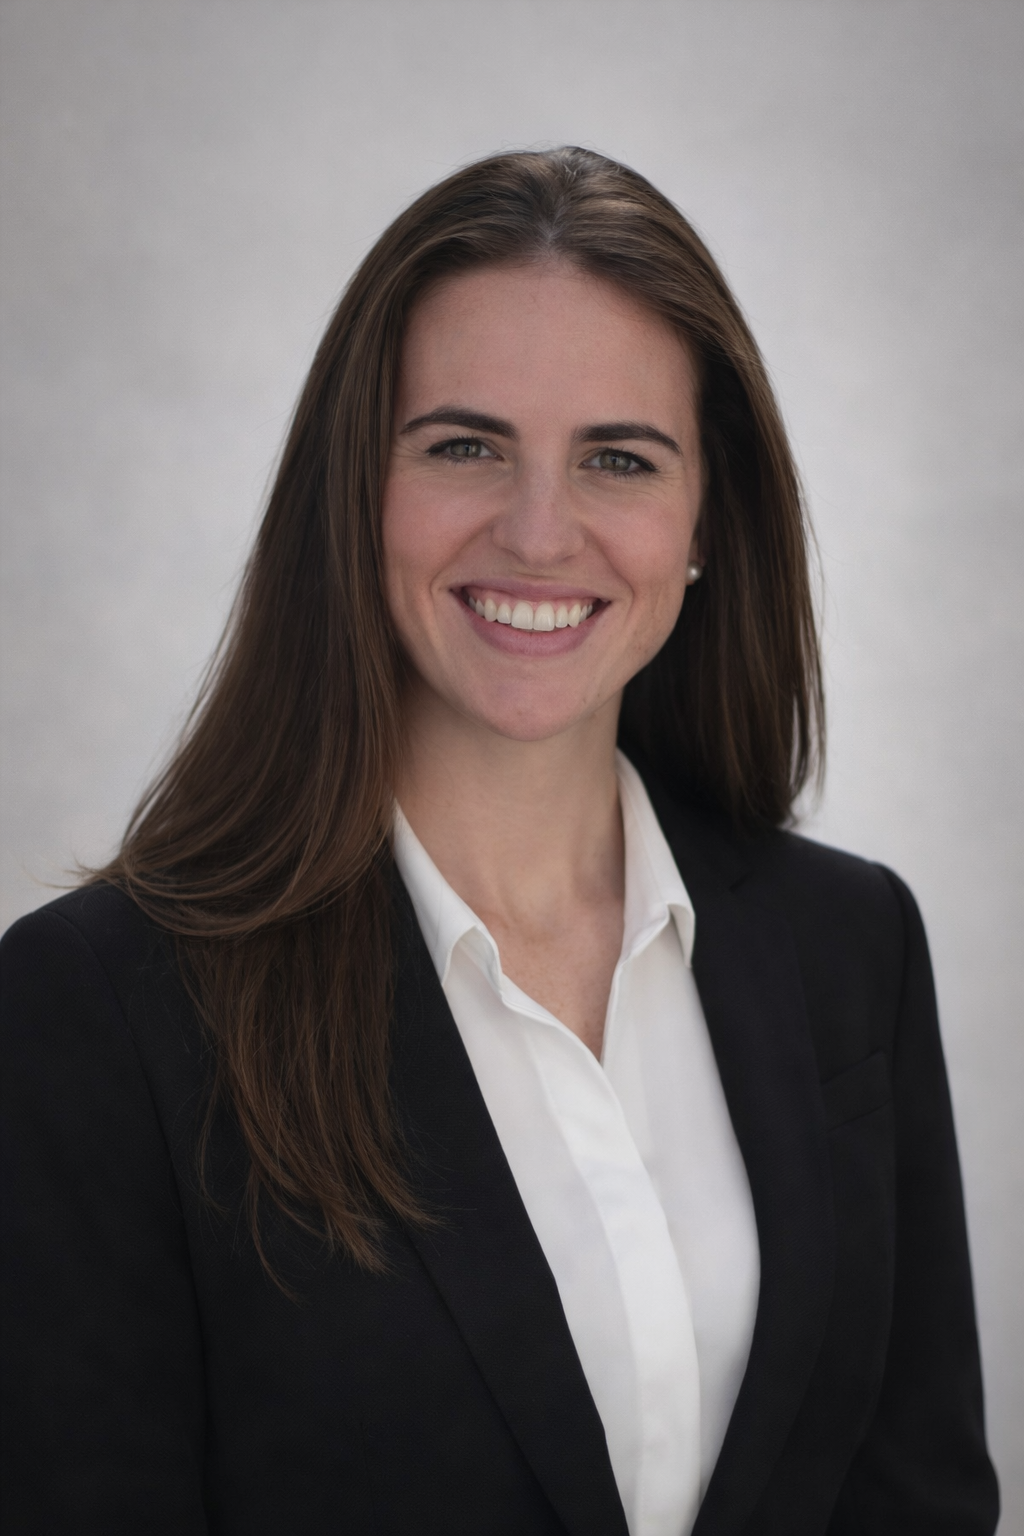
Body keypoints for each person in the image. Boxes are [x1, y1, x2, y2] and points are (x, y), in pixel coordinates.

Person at [0, 147, 998, 1536]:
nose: (539, 533)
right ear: (356, 489)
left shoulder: (852, 949)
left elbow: (918, 1501)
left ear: (707, 519)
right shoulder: (100, 1010)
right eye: (464, 446)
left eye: (618, 459)